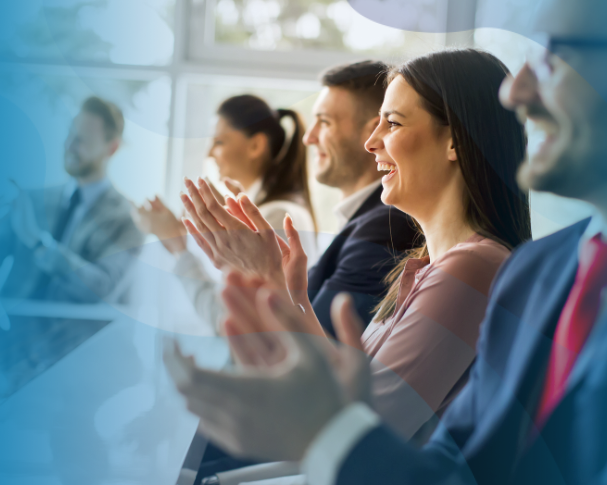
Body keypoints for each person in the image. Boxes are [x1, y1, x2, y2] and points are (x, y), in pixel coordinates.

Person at [165, 0, 607, 485]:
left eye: (558, 56)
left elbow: (370, 427)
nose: (517, 92)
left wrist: (328, 434)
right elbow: (445, 467)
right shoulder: (539, 270)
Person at [190, 49, 531, 443]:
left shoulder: (470, 268)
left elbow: (359, 428)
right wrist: (290, 292)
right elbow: (342, 385)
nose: (371, 143)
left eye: (393, 123)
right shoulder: (430, 266)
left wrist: (271, 284)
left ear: (454, 140)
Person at [176, 62, 420, 336]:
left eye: (325, 122)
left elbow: (321, 348)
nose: (308, 137)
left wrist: (260, 272)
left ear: (372, 131)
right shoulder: (363, 220)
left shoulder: (385, 228)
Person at [133, 95, 316, 328]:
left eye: (219, 142)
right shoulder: (277, 211)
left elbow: (227, 322)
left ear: (256, 146)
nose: (210, 153)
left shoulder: (276, 217)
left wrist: (178, 249)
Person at [0, 96, 143, 303]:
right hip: (10, 330)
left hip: (75, 335)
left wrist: (39, 243)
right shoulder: (32, 201)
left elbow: (102, 290)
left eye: (81, 140)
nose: (69, 145)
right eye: (69, 135)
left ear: (112, 148)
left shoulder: (128, 220)